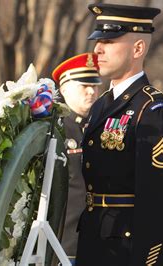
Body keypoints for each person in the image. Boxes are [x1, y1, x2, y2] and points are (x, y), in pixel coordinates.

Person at [76, 4, 163, 266]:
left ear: (138, 49)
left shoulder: (154, 110)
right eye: (97, 40)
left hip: (128, 251)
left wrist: (151, 260)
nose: (97, 49)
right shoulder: (102, 105)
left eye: (109, 40)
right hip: (95, 242)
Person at [51, 53, 101, 265]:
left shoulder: (102, 128)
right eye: (84, 85)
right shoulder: (54, 130)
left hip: (100, 242)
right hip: (64, 243)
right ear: (64, 89)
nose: (91, 91)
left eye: (95, 85)